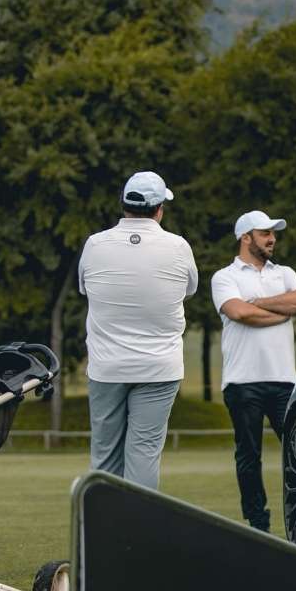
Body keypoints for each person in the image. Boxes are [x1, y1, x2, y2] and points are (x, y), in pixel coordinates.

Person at [77, 171, 198, 490]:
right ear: (159, 209)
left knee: (104, 456)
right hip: (159, 367)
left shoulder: (94, 244)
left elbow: (85, 288)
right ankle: (139, 534)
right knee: (144, 454)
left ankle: (105, 532)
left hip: (107, 367)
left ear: (124, 206)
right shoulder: (179, 247)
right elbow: (188, 290)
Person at [211, 210, 296, 532]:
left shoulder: (285, 272)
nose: (272, 239)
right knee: (249, 457)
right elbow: (239, 312)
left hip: (284, 381)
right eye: (265, 233)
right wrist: (278, 311)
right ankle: (258, 524)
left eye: (273, 233)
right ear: (245, 237)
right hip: (242, 382)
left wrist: (257, 302)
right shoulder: (224, 277)